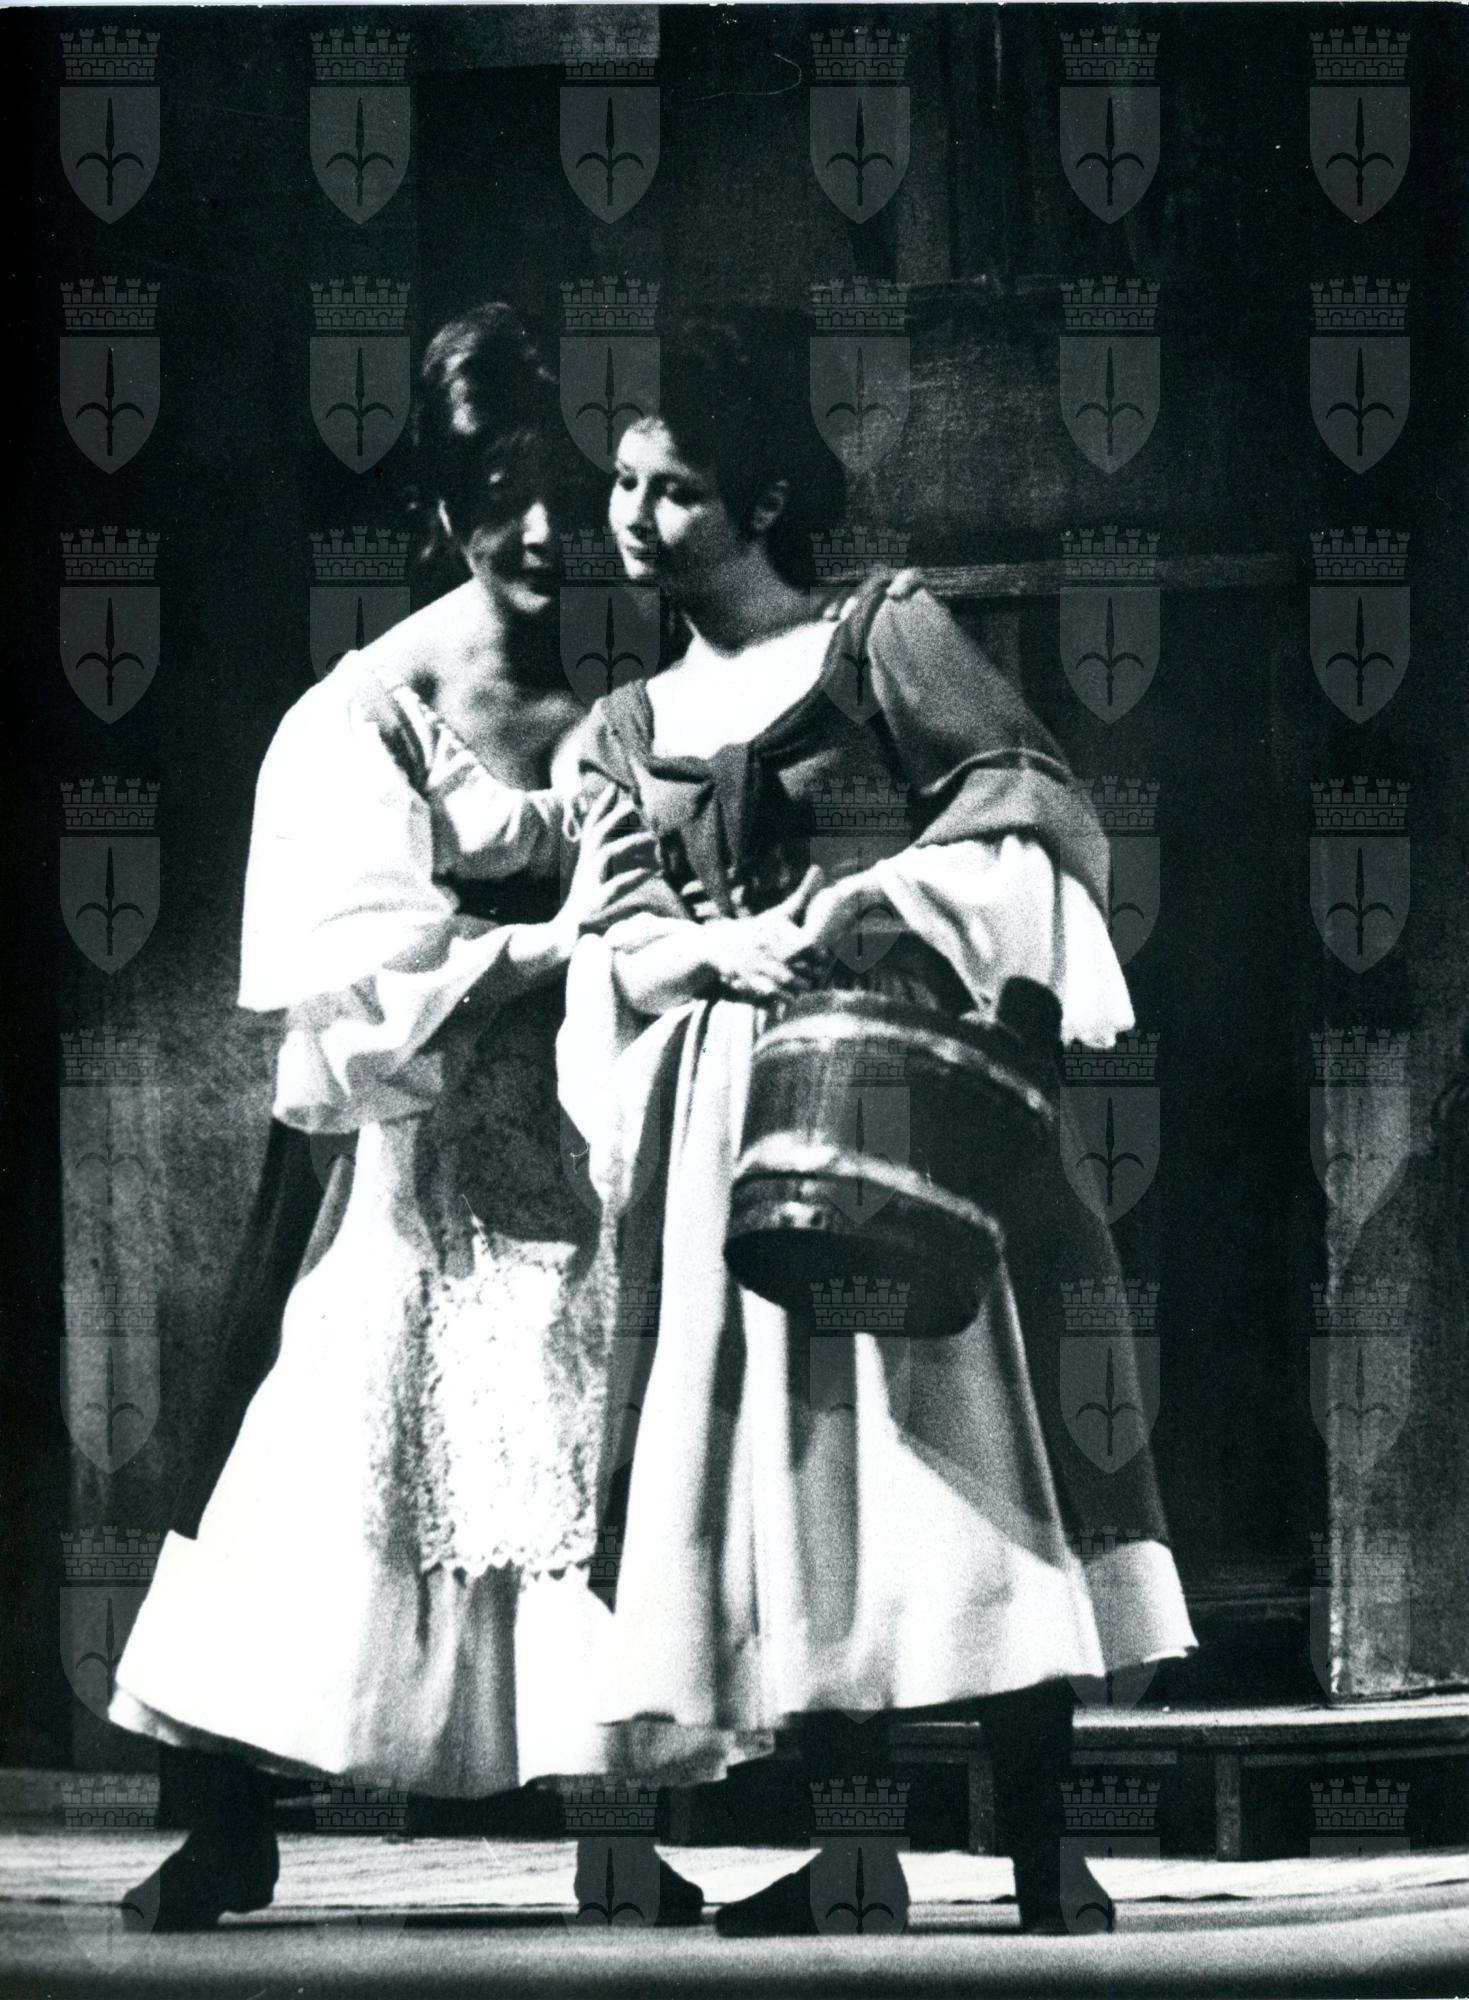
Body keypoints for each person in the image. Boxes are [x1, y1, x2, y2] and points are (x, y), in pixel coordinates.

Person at [558, 313, 1198, 1937]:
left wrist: (875, 899)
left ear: (765, 501)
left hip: (892, 1085)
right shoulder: (624, 728)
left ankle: (1047, 1854)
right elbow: (610, 936)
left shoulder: (880, 635)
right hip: (725, 1111)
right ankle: (857, 1857)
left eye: (675, 489)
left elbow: (1029, 818)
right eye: (623, 484)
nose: (637, 518)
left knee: (964, 1460)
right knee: (801, 1484)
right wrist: (707, 952)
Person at [108, 305, 740, 1932]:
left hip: (591, 1130)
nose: (533, 532)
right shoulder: (368, 711)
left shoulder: (642, 689)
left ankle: (616, 1830)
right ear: (437, 511)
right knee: (336, 1445)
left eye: (559, 491)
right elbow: (358, 985)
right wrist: (548, 938)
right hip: (411, 1137)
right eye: (489, 496)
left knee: (582, 1450)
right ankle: (229, 1820)